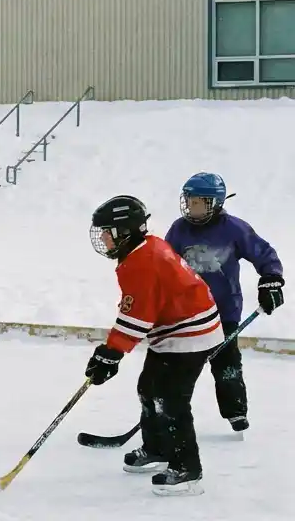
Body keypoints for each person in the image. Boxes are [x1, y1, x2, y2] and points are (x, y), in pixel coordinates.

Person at [83, 195, 222, 496]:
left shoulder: (143, 261)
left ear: (125, 231)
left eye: (107, 232)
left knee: (171, 400)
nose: (103, 239)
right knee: (149, 388)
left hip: (190, 334)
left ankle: (187, 469)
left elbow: (138, 315)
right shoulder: (144, 250)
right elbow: (139, 309)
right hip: (176, 329)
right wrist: (111, 352)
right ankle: (158, 447)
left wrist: (111, 353)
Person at [164, 172, 284, 432]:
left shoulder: (234, 229)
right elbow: (164, 265)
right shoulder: (178, 229)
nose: (191, 206)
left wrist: (271, 280)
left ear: (215, 203)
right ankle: (167, 412)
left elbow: (264, 254)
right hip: (188, 314)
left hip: (223, 312)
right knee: (178, 368)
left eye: (198, 201)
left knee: (226, 364)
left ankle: (235, 411)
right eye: (188, 200)